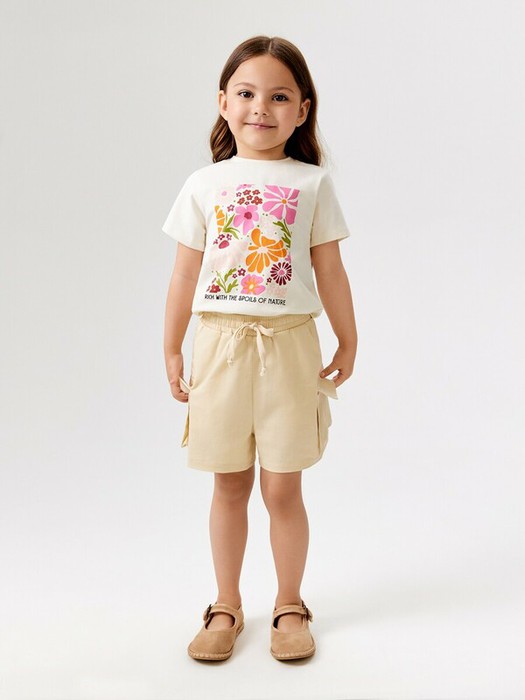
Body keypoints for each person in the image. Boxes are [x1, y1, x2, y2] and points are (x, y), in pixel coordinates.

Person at [161, 35, 358, 662]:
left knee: (281, 488)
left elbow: (330, 270)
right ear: (224, 102)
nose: (260, 108)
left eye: (278, 96)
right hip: (219, 345)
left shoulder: (313, 184)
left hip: (290, 346)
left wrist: (349, 337)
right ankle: (225, 604)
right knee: (229, 483)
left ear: (302, 109)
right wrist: (172, 348)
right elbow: (185, 273)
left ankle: (290, 605)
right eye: (246, 93)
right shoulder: (204, 184)